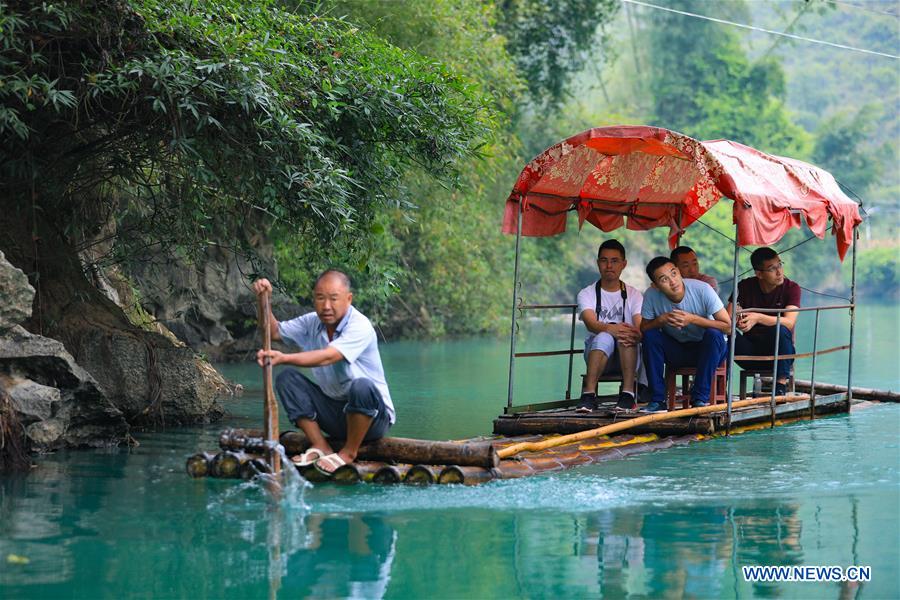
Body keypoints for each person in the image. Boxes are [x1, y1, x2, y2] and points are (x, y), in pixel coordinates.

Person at [253, 269, 394, 475]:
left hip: (372, 419)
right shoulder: (312, 322)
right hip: (336, 415)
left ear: (348, 299)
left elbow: (329, 356)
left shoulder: (360, 326)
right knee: (287, 379)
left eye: (334, 299)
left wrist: (283, 358)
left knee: (361, 386)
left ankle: (348, 453)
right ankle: (320, 446)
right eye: (320, 298)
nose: (326, 306)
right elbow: (273, 331)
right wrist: (262, 299)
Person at [640, 256, 731, 412]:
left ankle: (700, 399)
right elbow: (644, 328)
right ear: (655, 285)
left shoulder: (702, 289)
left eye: (674, 274)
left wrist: (693, 319)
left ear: (679, 272)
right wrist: (661, 320)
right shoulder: (651, 295)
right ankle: (657, 400)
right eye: (664, 279)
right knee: (650, 336)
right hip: (678, 351)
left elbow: (728, 327)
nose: (672, 281)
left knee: (714, 334)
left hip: (709, 350)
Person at [575, 239, 644, 413]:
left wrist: (632, 333)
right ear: (598, 263)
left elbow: (639, 325)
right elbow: (591, 323)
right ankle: (588, 395)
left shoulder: (634, 294)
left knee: (627, 335)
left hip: (628, 357)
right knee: (604, 336)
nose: (609, 266)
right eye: (604, 260)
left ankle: (627, 394)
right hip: (598, 356)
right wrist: (612, 329)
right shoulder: (587, 293)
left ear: (623, 264)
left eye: (614, 261)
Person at [726, 247, 801, 397]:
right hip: (749, 353)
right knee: (725, 334)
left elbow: (789, 322)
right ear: (759, 273)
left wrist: (757, 317)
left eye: (780, 265)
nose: (779, 272)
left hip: (778, 355)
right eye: (772, 268)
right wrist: (738, 319)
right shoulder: (745, 286)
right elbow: (726, 321)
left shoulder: (791, 288)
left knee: (780, 329)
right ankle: (720, 386)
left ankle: (780, 387)